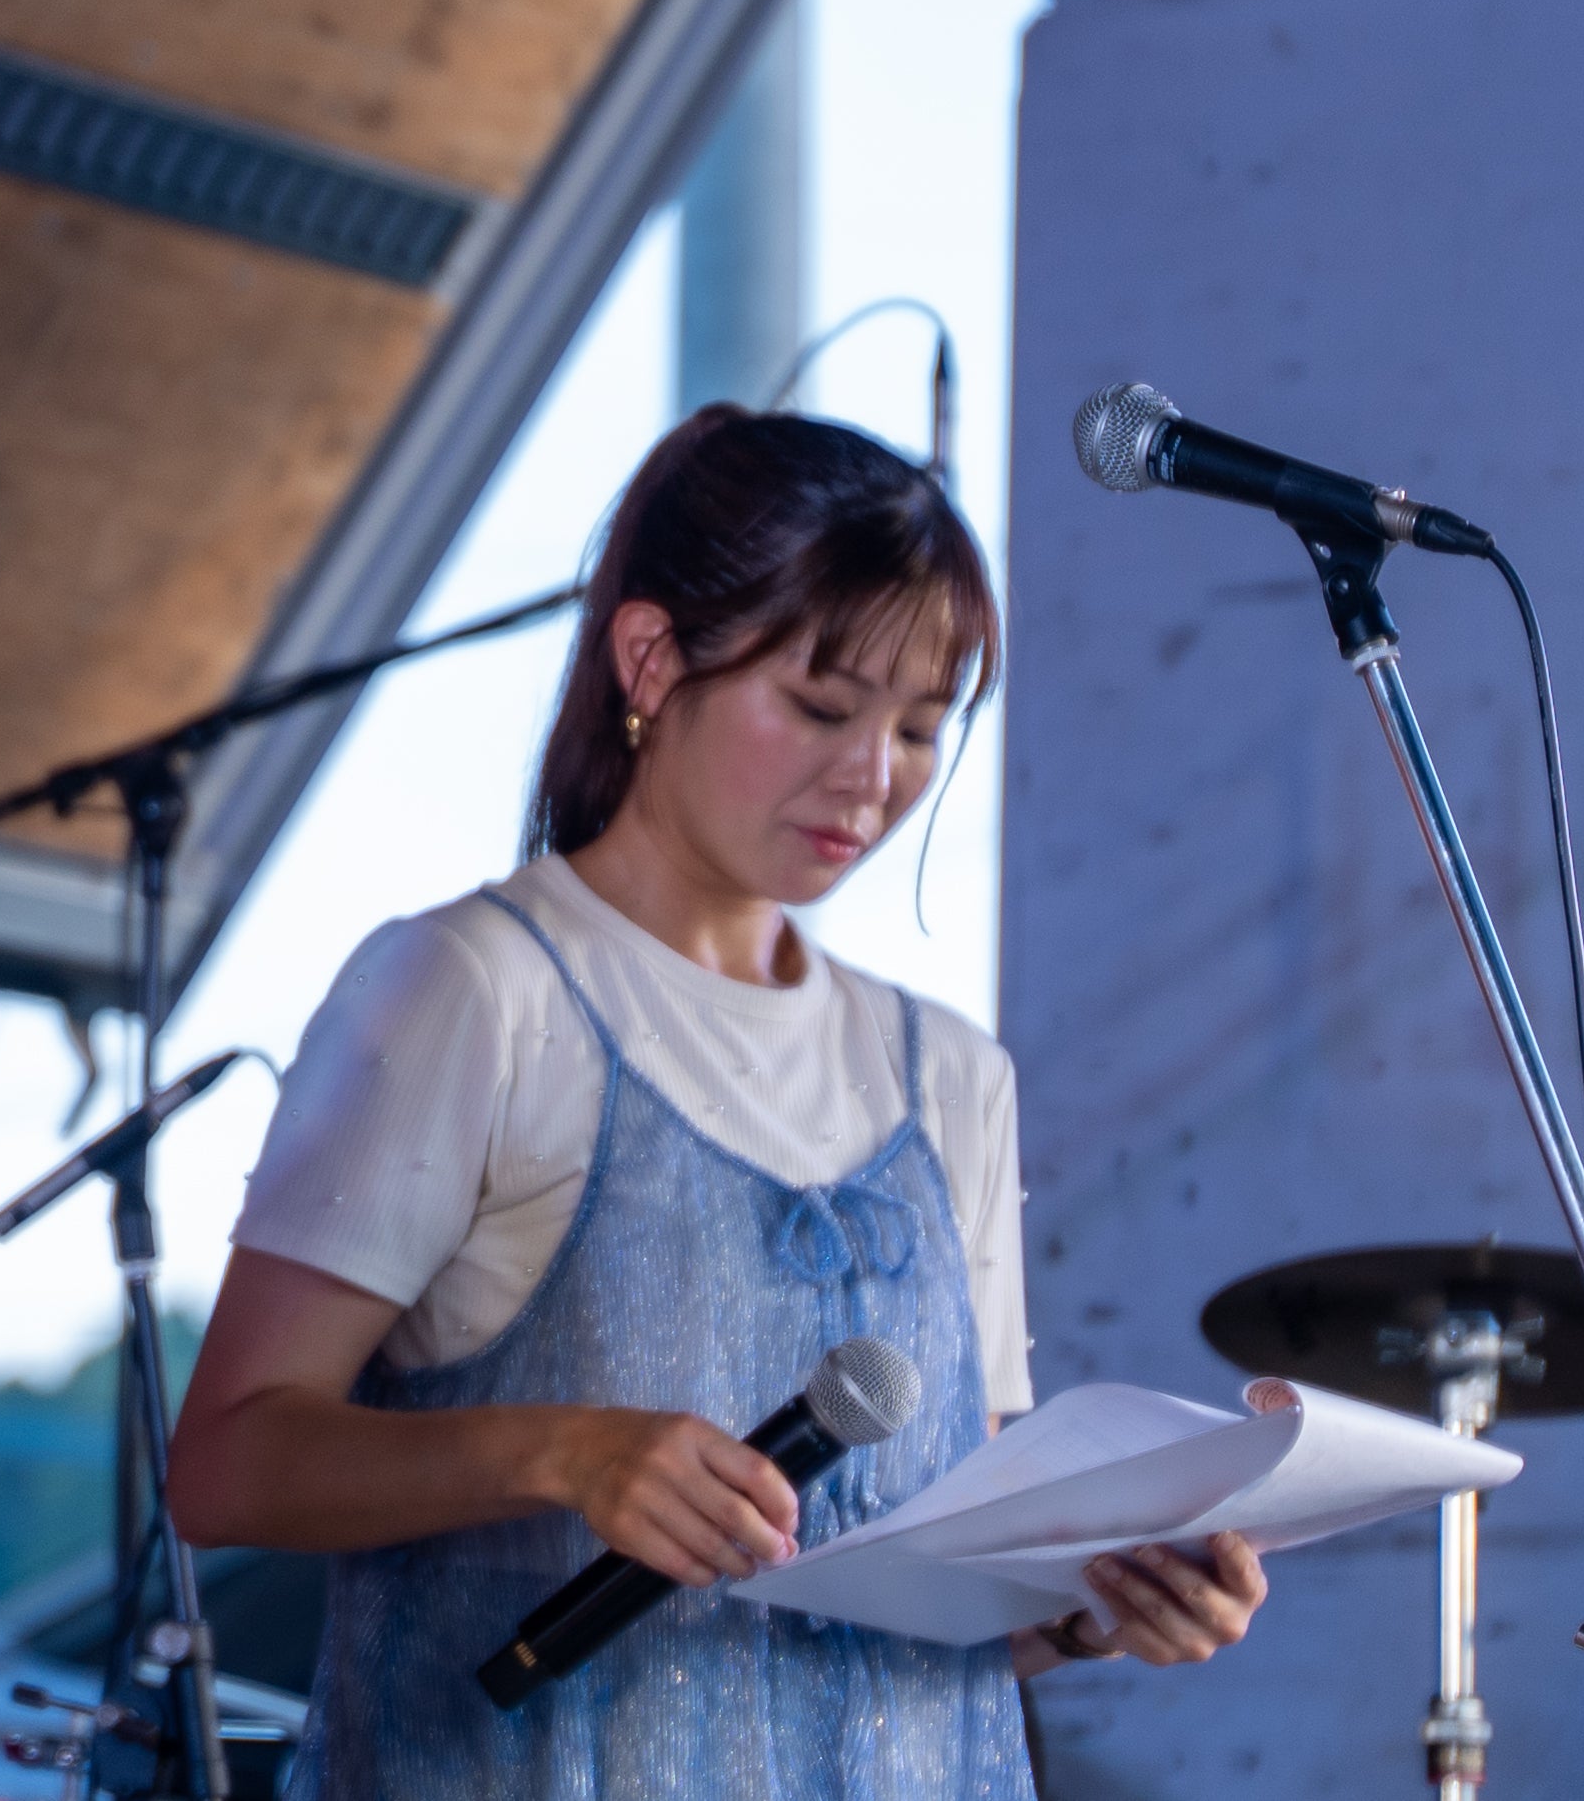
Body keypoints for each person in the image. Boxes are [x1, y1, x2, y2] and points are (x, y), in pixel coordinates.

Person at [167, 406, 1265, 1796]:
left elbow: (931, 1605)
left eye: (921, 728)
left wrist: (1093, 1605)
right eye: (821, 707)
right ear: (650, 656)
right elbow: (225, 1464)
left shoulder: (951, 1076)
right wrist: (560, 1450)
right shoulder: (474, 987)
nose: (874, 778)